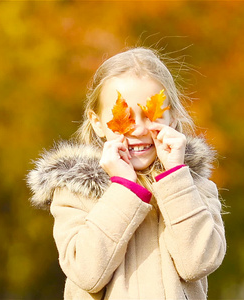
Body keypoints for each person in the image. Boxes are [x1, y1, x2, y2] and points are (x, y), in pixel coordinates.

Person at [26, 47, 226, 300]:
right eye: (125, 117)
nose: (139, 129)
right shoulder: (75, 192)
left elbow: (199, 262)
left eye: (151, 115)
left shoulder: (193, 188)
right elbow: (87, 274)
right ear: (97, 122)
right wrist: (124, 189)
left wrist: (175, 176)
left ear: (173, 117)